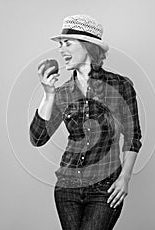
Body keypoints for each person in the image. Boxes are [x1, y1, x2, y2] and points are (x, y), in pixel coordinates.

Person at [29, 14, 142, 230]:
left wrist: (125, 178)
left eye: (68, 43)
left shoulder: (121, 86)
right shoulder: (62, 93)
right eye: (60, 44)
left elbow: (133, 137)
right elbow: (38, 138)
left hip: (105, 187)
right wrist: (48, 95)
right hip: (67, 188)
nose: (61, 50)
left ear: (88, 46)